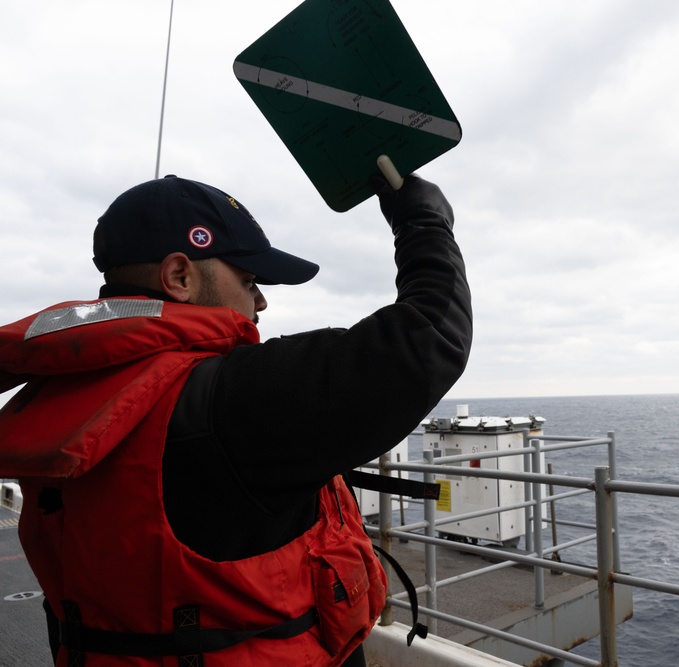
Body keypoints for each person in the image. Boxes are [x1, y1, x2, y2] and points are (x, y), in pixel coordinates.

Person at [0, 173, 473, 666]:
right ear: (179, 277)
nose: (261, 301)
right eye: (249, 281)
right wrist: (423, 219)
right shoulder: (230, 401)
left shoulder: (58, 397)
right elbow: (428, 337)